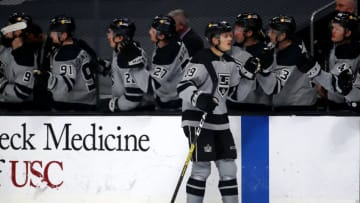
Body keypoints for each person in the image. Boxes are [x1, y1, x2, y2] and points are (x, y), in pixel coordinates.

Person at [177, 20, 256, 203]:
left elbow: (237, 95)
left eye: (230, 35)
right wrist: (200, 98)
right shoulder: (200, 58)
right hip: (198, 120)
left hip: (220, 120)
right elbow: (183, 86)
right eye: (225, 36)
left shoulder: (230, 63)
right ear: (214, 40)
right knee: (201, 168)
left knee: (229, 168)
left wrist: (249, 77)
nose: (230, 38)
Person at [298, 12, 360, 111]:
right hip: (334, 105)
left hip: (348, 109)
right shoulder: (332, 46)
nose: (333, 31)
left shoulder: (351, 51)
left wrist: (315, 72)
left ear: (348, 33)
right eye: (332, 28)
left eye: (337, 29)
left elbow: (338, 84)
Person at [34, 15, 97, 111]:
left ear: (63, 35)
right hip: (88, 101)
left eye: (54, 33)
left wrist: (46, 77)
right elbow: (101, 64)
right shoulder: (79, 48)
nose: (51, 35)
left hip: (73, 105)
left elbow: (66, 85)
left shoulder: (65, 54)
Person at [256, 15, 318, 109]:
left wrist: (263, 69)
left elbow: (274, 88)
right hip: (286, 104)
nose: (269, 34)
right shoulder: (282, 43)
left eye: (272, 32)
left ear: (282, 35)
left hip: (299, 107)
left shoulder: (292, 54)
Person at [228, 12, 273, 112]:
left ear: (249, 33)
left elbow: (270, 88)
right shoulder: (232, 49)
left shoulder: (266, 54)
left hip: (257, 107)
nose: (234, 33)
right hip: (231, 105)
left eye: (238, 29)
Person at [105, 17, 151, 112]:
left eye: (109, 32)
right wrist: (102, 66)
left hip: (136, 113)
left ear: (119, 38)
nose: (107, 36)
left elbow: (133, 99)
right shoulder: (124, 50)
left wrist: (115, 105)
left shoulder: (129, 57)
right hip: (130, 109)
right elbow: (119, 72)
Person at [148, 15, 190, 110]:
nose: (149, 32)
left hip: (171, 100)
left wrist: (134, 70)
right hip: (179, 89)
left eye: (153, 31)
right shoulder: (172, 38)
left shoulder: (166, 55)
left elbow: (151, 86)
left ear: (162, 36)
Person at [0, 12, 36, 111]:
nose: (6, 30)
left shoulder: (26, 57)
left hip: (18, 112)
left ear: (19, 31)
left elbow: (21, 92)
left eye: (9, 27)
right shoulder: (6, 50)